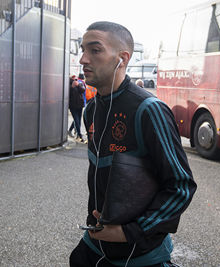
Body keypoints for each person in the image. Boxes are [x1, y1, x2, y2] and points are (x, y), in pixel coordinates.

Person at [70, 21, 196, 267]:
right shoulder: (92, 110)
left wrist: (130, 231)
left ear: (123, 58)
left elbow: (181, 186)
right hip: (96, 242)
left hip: (139, 254)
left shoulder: (150, 110)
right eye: (82, 49)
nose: (83, 59)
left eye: (95, 50)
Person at [68, 75, 86, 143]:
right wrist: (72, 87)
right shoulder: (68, 84)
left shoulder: (79, 83)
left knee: (78, 119)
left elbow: (83, 90)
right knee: (76, 119)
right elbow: (68, 93)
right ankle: (79, 134)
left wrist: (78, 85)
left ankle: (73, 132)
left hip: (80, 105)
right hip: (73, 106)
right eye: (73, 78)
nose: (75, 80)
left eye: (76, 79)